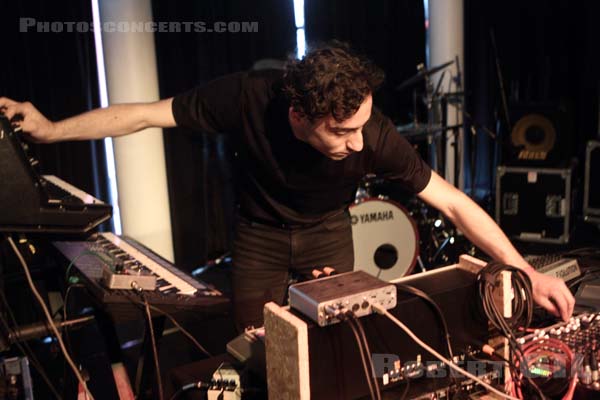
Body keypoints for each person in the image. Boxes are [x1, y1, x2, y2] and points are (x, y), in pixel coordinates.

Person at [0, 44, 574, 330]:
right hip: (258, 235)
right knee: (256, 350)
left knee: (342, 339)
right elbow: (143, 114)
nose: (357, 145)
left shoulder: (373, 135)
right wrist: (51, 130)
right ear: (300, 116)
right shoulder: (248, 97)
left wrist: (523, 270)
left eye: (361, 128)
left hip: (328, 232)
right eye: (341, 132)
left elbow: (451, 202)